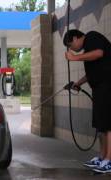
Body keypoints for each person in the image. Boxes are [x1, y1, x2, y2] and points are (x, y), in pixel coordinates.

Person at [63, 29, 111, 173]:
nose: (72, 49)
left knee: (108, 123)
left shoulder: (91, 36)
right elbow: (92, 73)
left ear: (77, 38)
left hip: (108, 85)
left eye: (71, 45)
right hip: (98, 88)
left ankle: (109, 159)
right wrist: (78, 83)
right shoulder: (87, 49)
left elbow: (99, 53)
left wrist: (75, 57)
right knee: (100, 124)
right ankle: (102, 157)